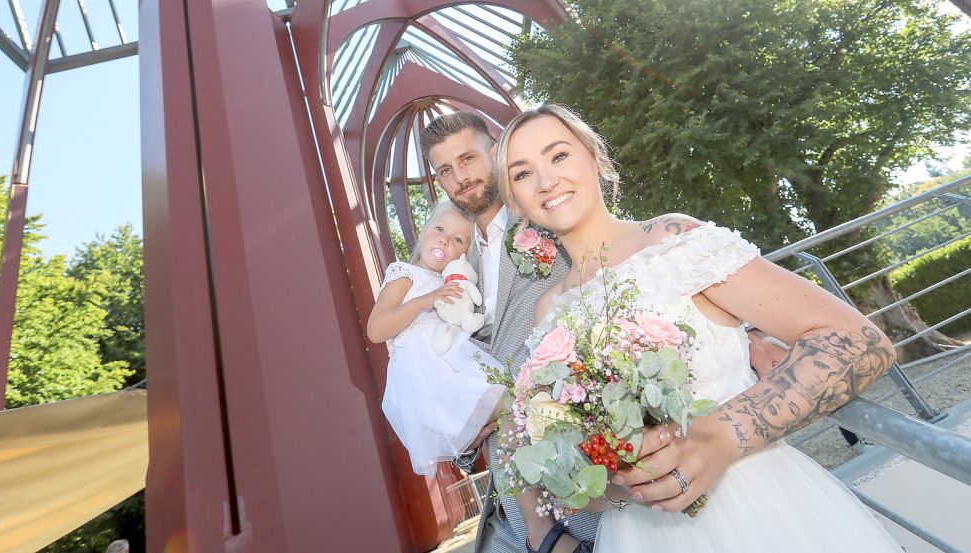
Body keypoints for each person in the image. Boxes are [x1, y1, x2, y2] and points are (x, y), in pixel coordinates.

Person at [496, 103, 901, 552]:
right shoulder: (549, 311)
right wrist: (610, 477)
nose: (546, 181)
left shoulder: (670, 240)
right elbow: (581, 479)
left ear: (595, 158)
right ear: (515, 201)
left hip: (756, 514)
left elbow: (858, 341)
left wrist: (723, 434)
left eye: (558, 156)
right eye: (522, 174)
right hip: (637, 534)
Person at [421, 111, 793, 553]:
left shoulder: (548, 221)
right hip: (521, 500)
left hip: (613, 499)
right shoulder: (449, 257)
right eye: (446, 170)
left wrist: (745, 332)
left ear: (495, 156)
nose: (460, 177)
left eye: (468, 159)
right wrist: (465, 426)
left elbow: (641, 273)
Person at [367, 201, 506, 477]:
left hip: (453, 362)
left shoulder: (452, 282)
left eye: (457, 239)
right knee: (510, 401)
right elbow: (376, 329)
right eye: (440, 229)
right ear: (425, 231)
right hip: (426, 374)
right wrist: (422, 302)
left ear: (464, 255)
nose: (445, 239)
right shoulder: (405, 274)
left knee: (510, 406)